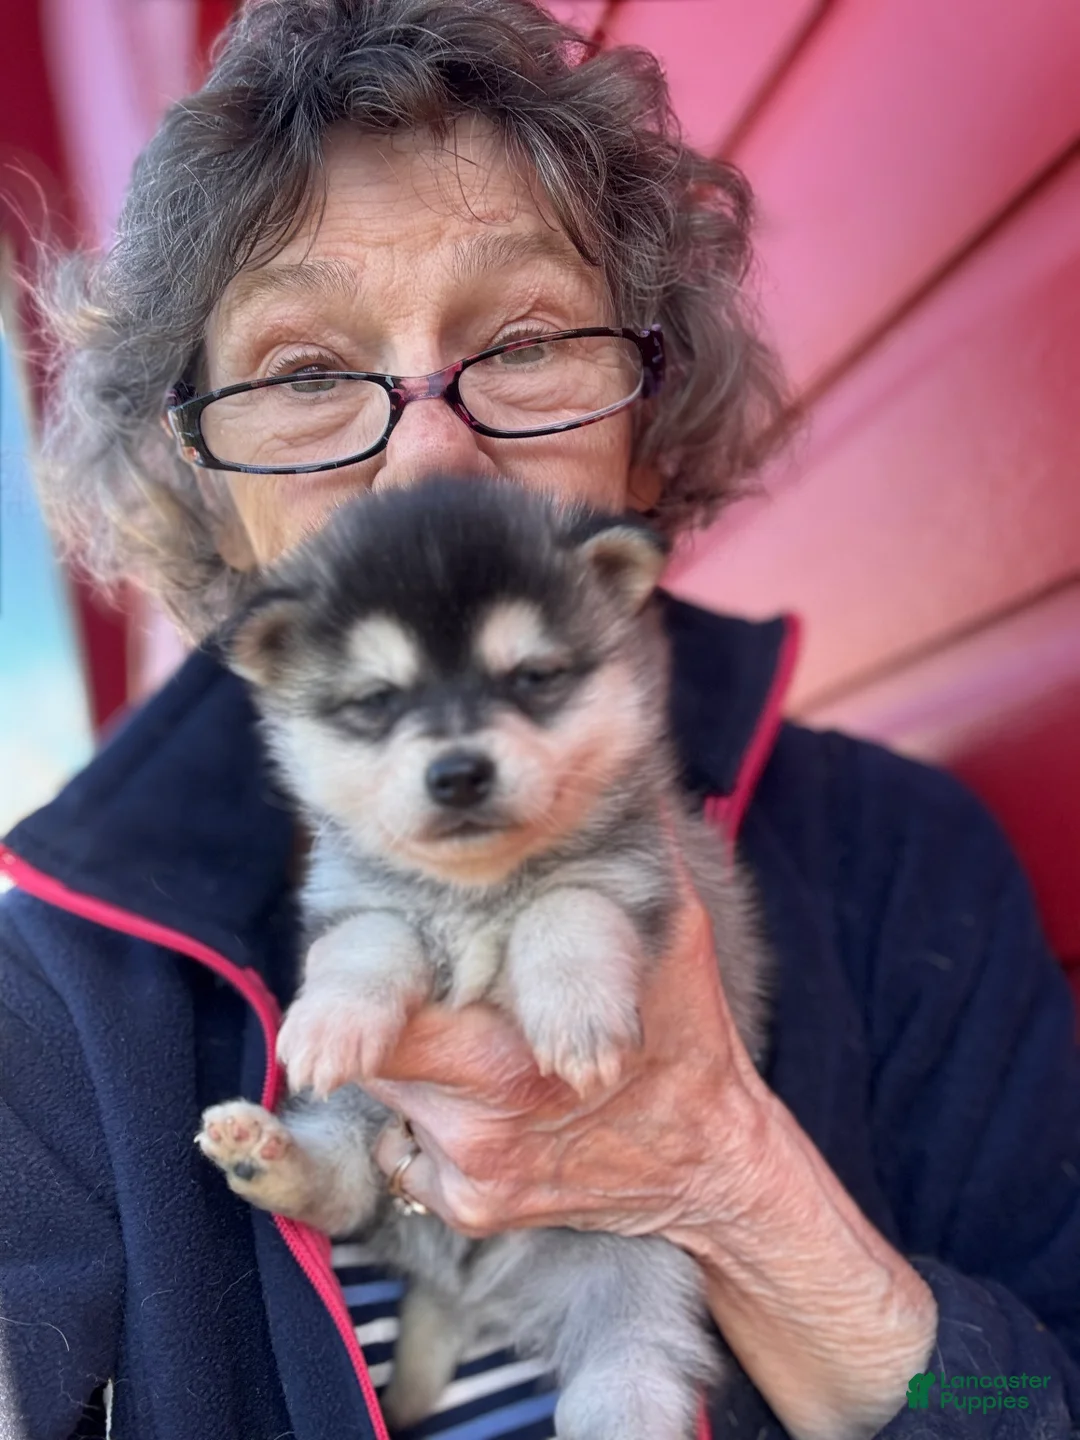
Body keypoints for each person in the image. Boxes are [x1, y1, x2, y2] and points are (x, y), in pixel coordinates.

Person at [2, 1, 1078, 1437]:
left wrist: (732, 1183)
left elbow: (1037, 1399)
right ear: (206, 479)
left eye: (523, 340)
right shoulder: (63, 983)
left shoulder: (898, 861)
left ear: (650, 405)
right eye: (309, 373)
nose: (436, 450)